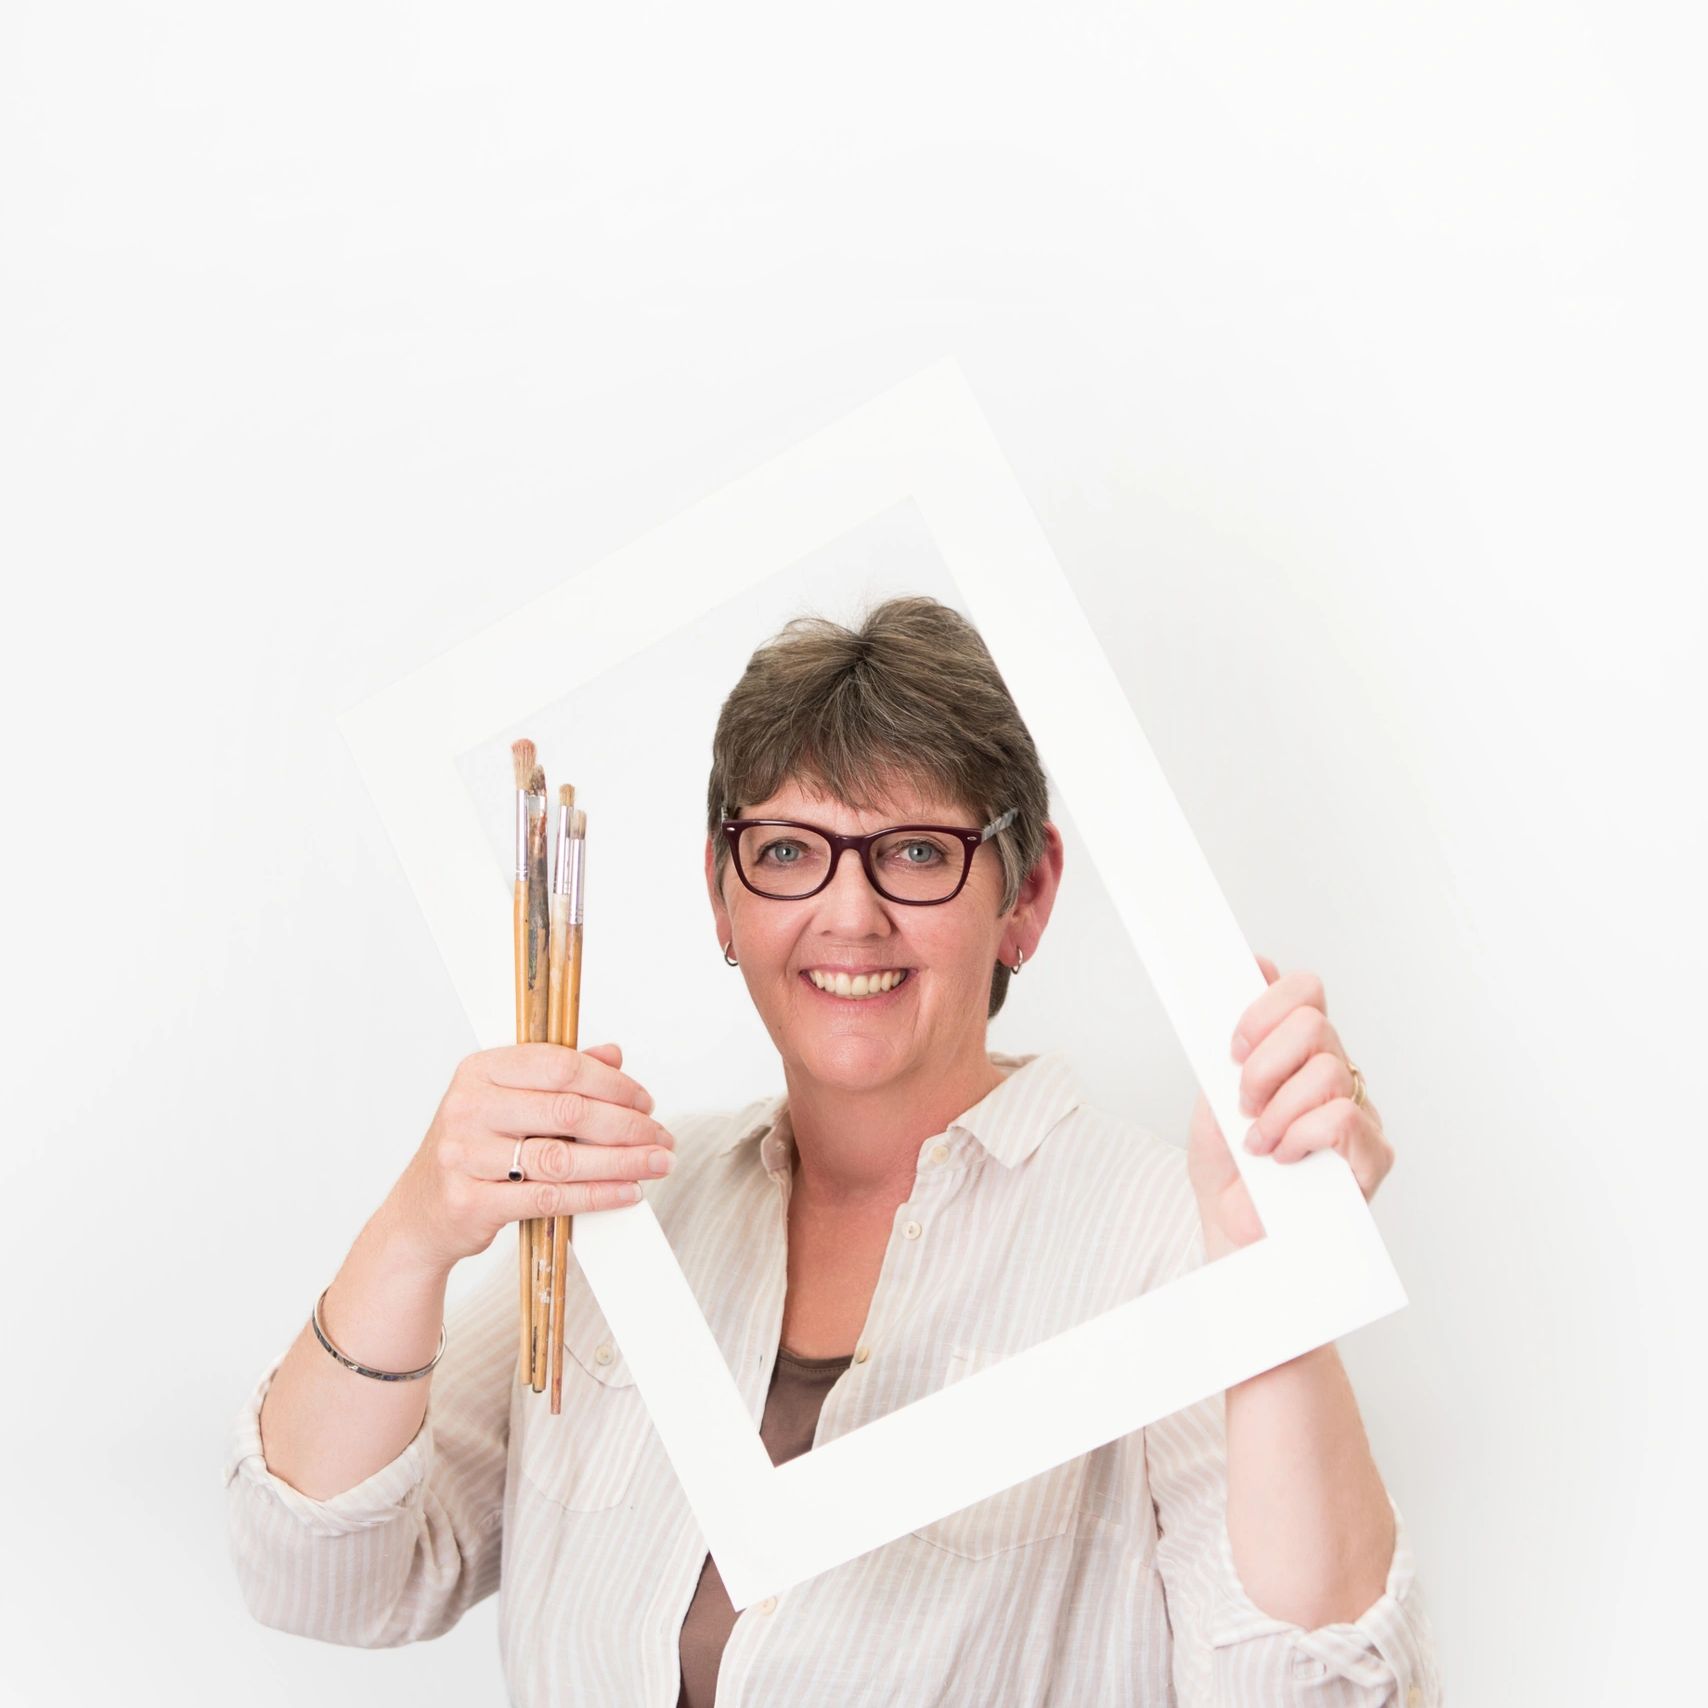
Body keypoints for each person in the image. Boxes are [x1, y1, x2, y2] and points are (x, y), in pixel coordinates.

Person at [225, 595, 1442, 1705]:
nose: (848, 915)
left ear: (1024, 896)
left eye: (914, 851)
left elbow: (1325, 1698)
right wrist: (416, 1231)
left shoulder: (1169, 1238)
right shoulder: (622, 1218)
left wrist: (1281, 1286)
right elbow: (315, 1573)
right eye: (787, 851)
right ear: (723, 896)